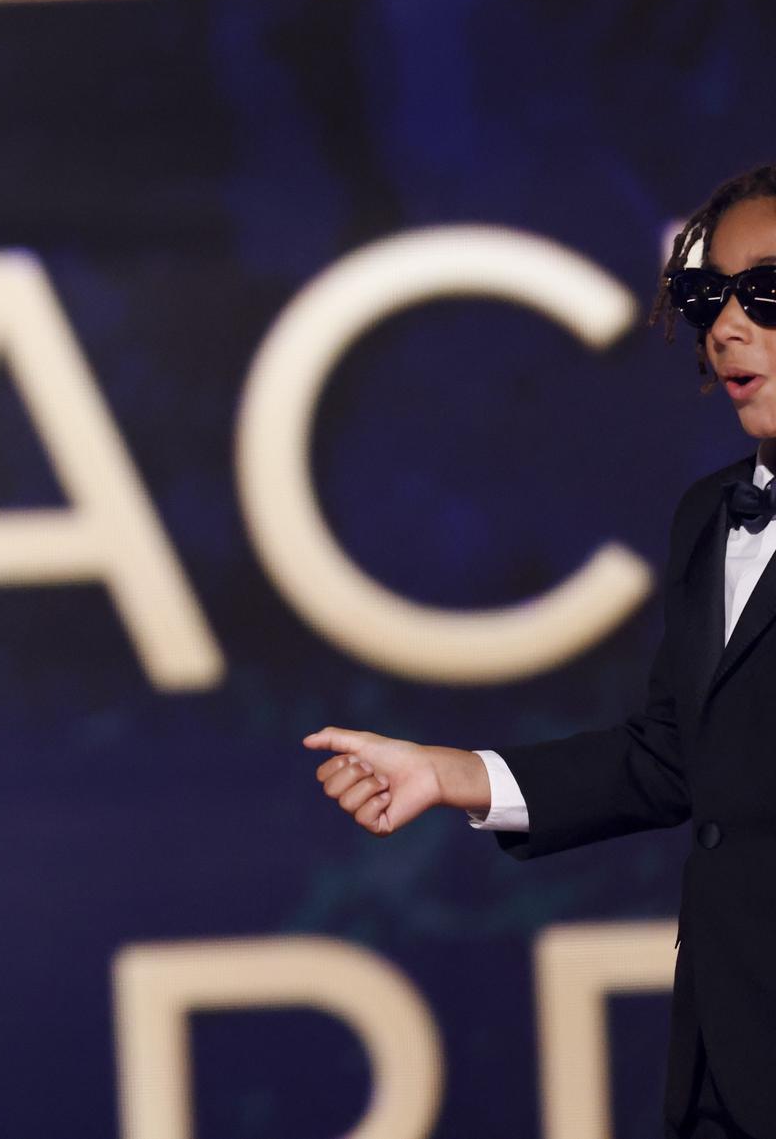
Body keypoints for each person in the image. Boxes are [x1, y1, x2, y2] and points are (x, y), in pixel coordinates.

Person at [303, 163, 776, 1139]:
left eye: (764, 291)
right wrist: (454, 773)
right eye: (705, 295)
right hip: (727, 1063)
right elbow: (672, 757)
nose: (726, 325)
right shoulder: (707, 518)